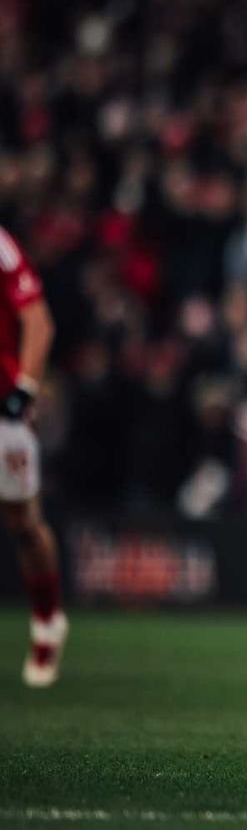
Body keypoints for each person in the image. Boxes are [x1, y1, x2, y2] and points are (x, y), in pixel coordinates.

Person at [0, 227, 64, 687]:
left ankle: (47, 619)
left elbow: (38, 320)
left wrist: (24, 389)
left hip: (2, 407)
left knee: (22, 523)